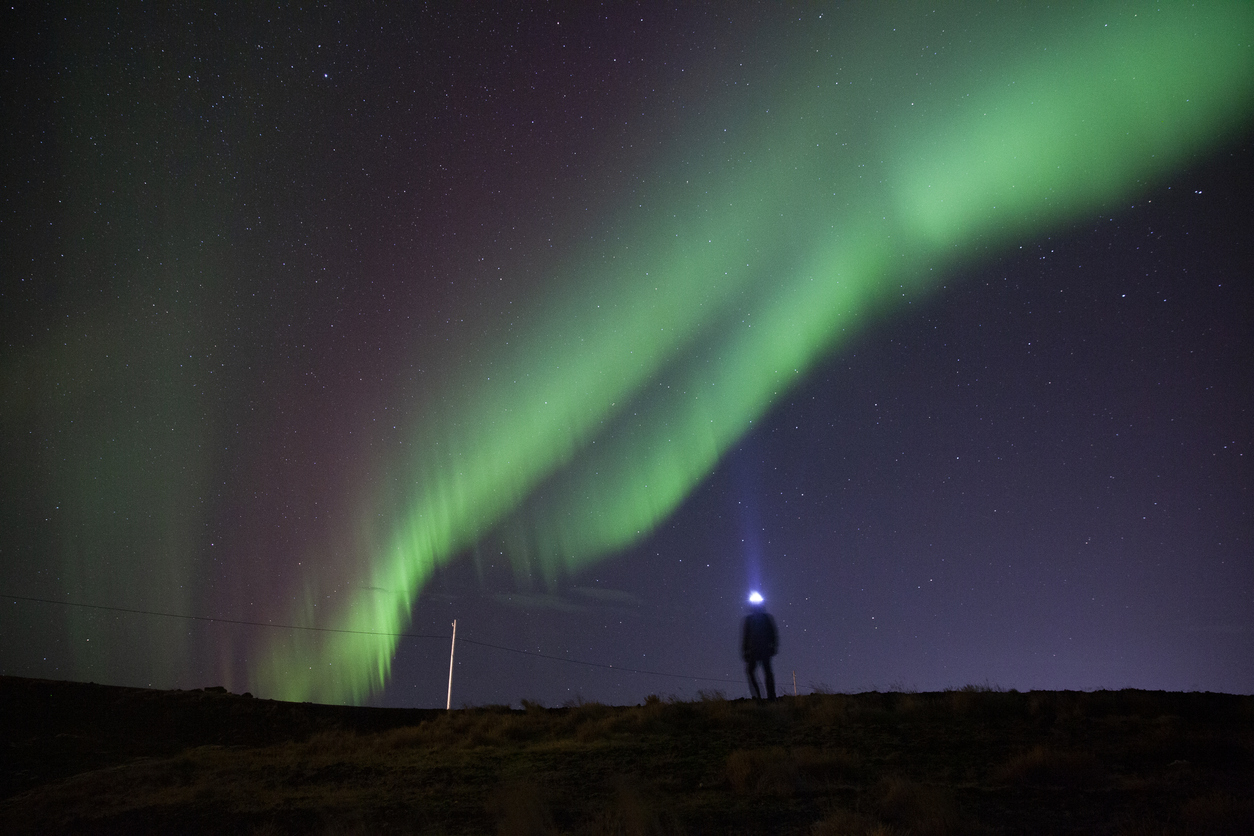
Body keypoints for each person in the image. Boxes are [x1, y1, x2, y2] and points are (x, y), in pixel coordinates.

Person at [741, 593, 778, 701]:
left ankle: (765, 697)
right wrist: (745, 650)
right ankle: (762, 697)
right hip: (758, 649)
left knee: (764, 672)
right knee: (761, 672)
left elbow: (773, 633)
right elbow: (746, 636)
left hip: (761, 649)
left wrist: (745, 651)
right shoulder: (753, 619)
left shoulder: (764, 618)